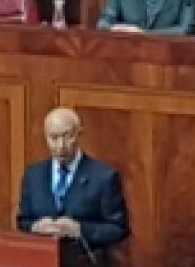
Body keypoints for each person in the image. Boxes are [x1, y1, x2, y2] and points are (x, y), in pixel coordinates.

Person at [17, 107, 130, 251]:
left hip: (83, 261)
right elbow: (23, 221)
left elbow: (118, 228)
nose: (61, 145)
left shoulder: (103, 177)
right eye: (53, 137)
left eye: (67, 136)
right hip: (41, 259)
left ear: (79, 134)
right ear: (45, 136)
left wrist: (79, 230)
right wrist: (35, 227)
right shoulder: (34, 175)